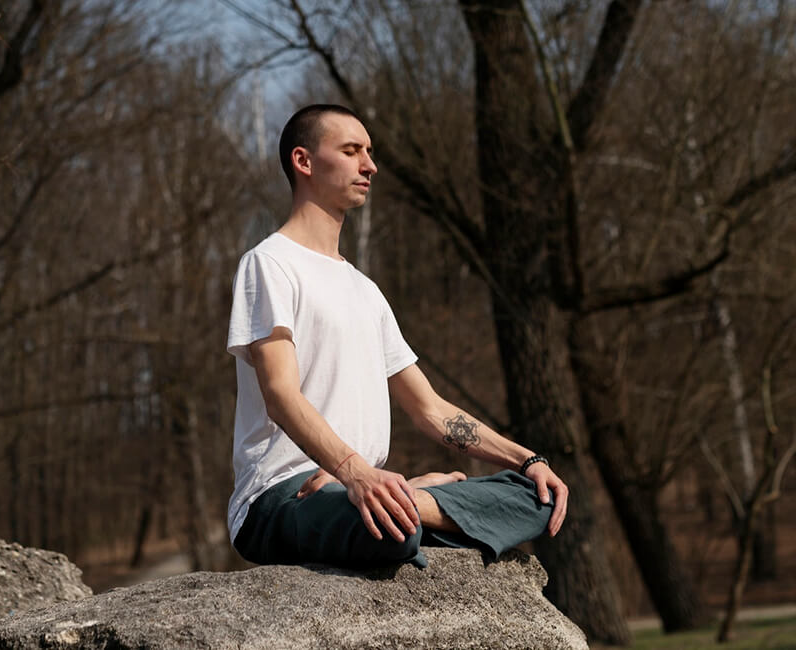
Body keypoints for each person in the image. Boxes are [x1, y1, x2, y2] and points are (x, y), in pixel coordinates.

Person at [226, 104, 569, 569]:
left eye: (369, 152)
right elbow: (280, 394)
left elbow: (431, 411)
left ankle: (408, 496)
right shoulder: (270, 264)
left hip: (364, 490)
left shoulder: (365, 290)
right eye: (351, 151)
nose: (370, 165)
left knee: (537, 497)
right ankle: (412, 498)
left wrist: (528, 460)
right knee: (395, 533)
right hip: (282, 497)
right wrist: (354, 473)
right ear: (304, 162)